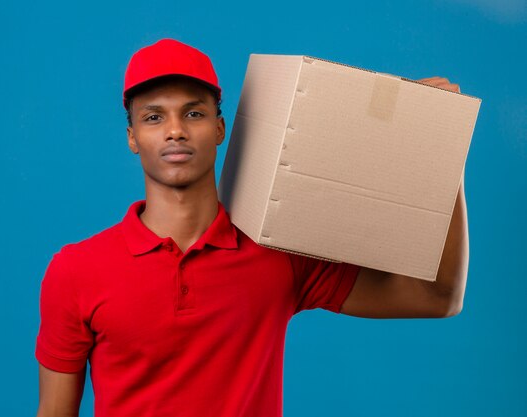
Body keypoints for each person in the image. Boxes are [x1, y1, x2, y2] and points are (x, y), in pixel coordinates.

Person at [35, 39, 468, 417]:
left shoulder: (276, 253)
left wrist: (441, 148)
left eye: (193, 113)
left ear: (219, 127)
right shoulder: (76, 270)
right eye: (153, 117)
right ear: (132, 137)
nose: (175, 131)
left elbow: (435, 296)